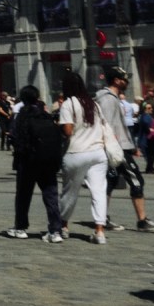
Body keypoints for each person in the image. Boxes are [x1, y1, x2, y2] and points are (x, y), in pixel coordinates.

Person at [94, 66, 154, 233]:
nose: (127, 82)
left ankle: (102, 218)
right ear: (117, 80)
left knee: (109, 183)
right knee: (136, 180)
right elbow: (107, 125)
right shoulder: (108, 99)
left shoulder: (110, 98)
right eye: (125, 79)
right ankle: (142, 221)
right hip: (117, 149)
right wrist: (116, 145)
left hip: (118, 147)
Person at [5, 86, 64, 241]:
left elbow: (16, 138)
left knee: (24, 195)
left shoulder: (22, 115)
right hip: (48, 160)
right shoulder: (45, 115)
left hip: (28, 161)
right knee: (51, 195)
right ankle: (55, 230)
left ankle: (20, 227)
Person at [58, 74, 110, 245]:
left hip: (77, 153)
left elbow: (67, 131)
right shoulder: (94, 104)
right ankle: (100, 230)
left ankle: (64, 225)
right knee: (99, 191)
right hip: (98, 153)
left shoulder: (68, 104)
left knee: (69, 192)